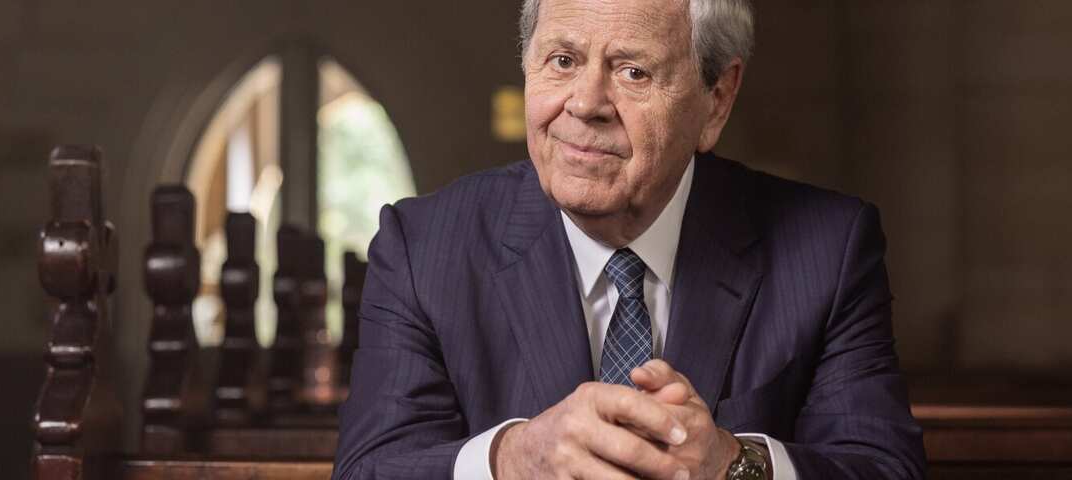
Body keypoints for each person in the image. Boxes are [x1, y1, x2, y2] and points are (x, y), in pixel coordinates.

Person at [333, 0, 925, 478]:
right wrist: (514, 460)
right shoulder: (423, 247)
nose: (586, 104)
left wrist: (732, 463)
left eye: (633, 71)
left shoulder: (828, 250)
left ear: (716, 99)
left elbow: (882, 468)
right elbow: (371, 469)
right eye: (562, 60)